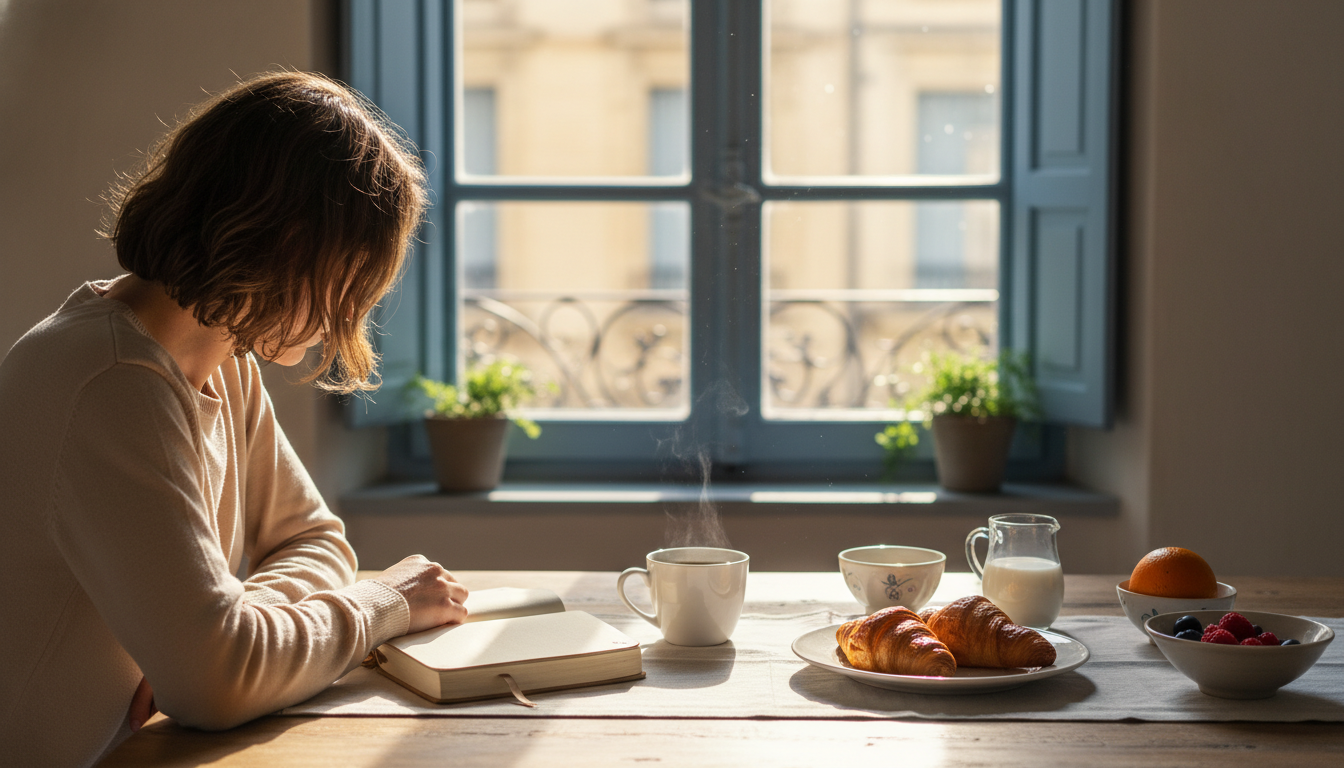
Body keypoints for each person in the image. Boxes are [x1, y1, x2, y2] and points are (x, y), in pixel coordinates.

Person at [0, 71, 469, 766]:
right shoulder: (113, 380)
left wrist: (226, 639)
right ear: (290, 246)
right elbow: (218, 687)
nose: (356, 316)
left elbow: (315, 540)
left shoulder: (222, 358)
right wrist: (382, 604)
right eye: (355, 281)